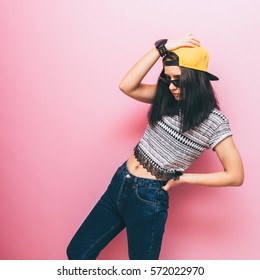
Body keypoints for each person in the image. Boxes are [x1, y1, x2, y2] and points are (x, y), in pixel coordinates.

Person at [66, 33, 244, 260]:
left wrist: (184, 178)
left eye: (178, 80)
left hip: (148, 197)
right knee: (77, 252)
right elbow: (126, 85)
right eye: (167, 79)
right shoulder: (165, 97)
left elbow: (236, 176)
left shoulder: (214, 122)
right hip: (121, 181)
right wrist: (161, 50)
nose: (171, 87)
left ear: (196, 79)